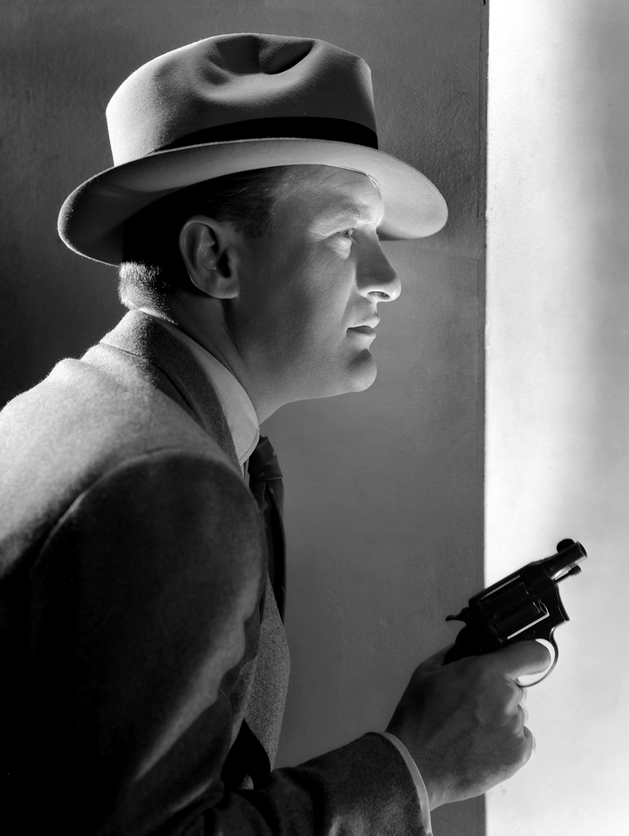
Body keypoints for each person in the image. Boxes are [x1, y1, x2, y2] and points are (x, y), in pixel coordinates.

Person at [0, 33, 549, 835]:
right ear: (214, 257)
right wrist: (413, 768)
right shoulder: (167, 482)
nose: (386, 279)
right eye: (344, 233)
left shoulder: (73, 415)